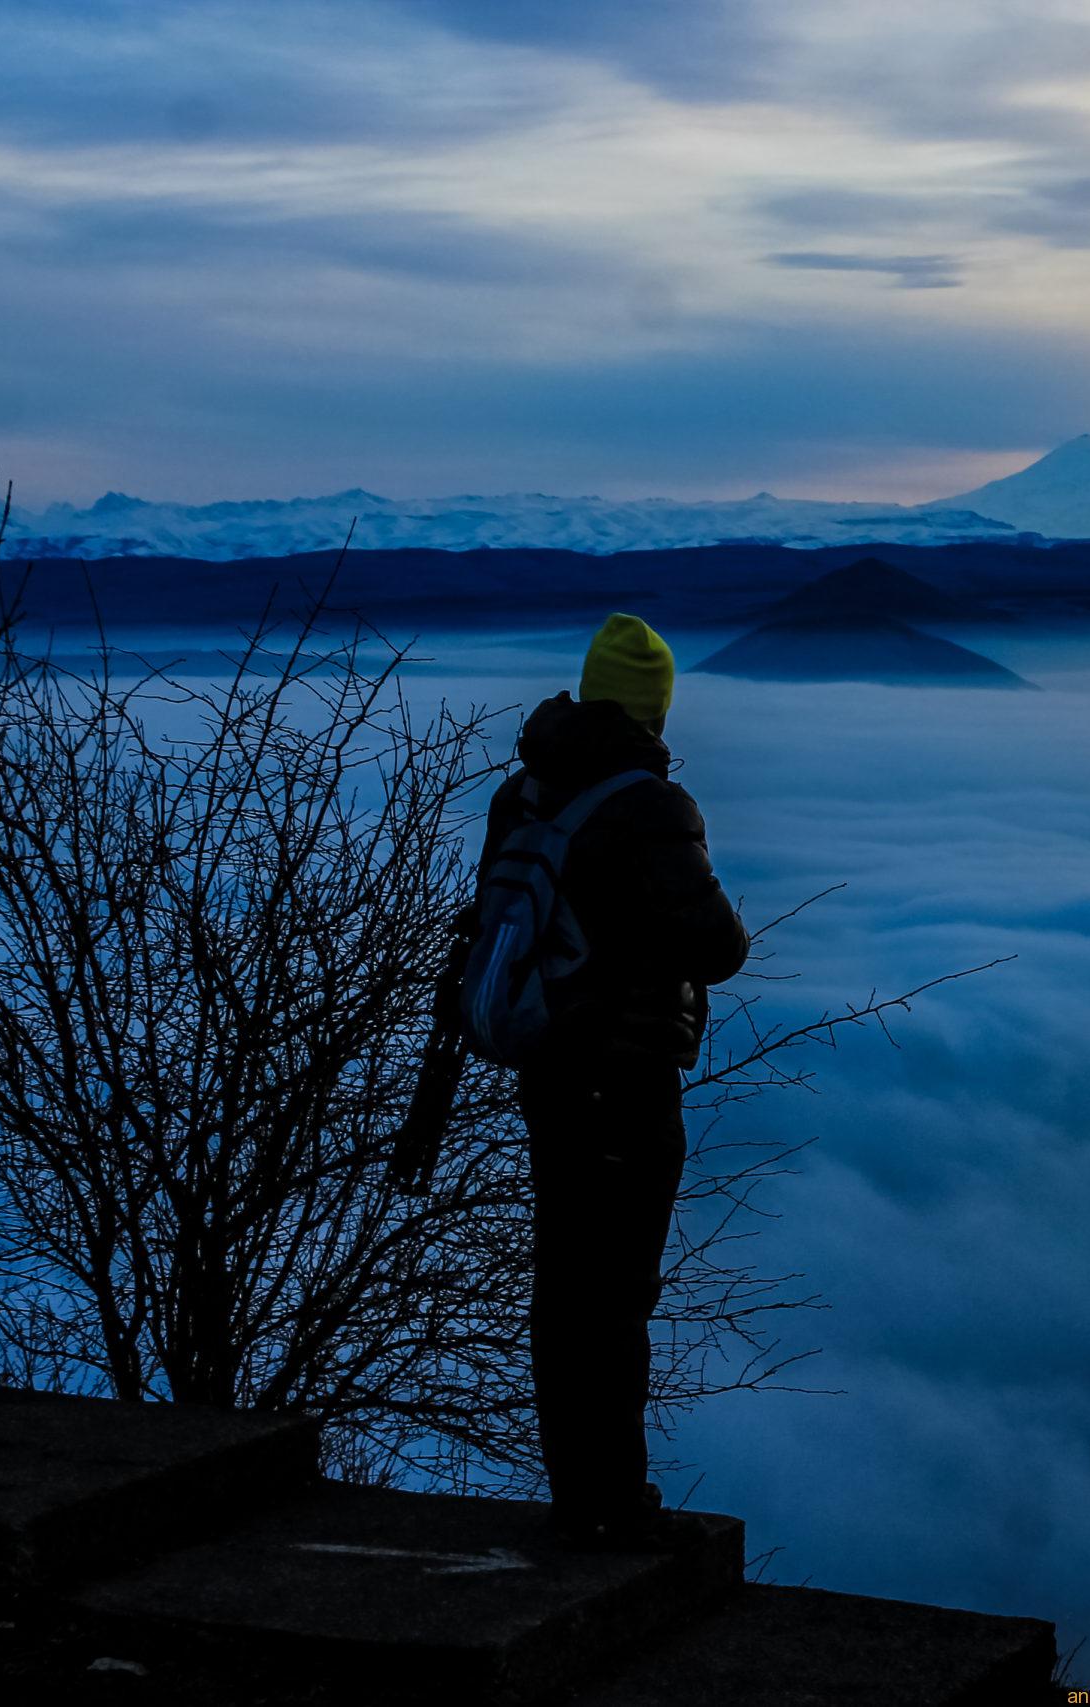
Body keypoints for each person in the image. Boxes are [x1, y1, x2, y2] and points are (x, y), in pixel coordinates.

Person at [479, 612, 749, 1550]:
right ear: (655, 707)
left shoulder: (525, 793)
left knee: (563, 1287)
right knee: (619, 1293)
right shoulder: (646, 808)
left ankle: (575, 1494)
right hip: (625, 1082)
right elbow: (719, 948)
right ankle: (616, 1500)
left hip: (550, 1077)